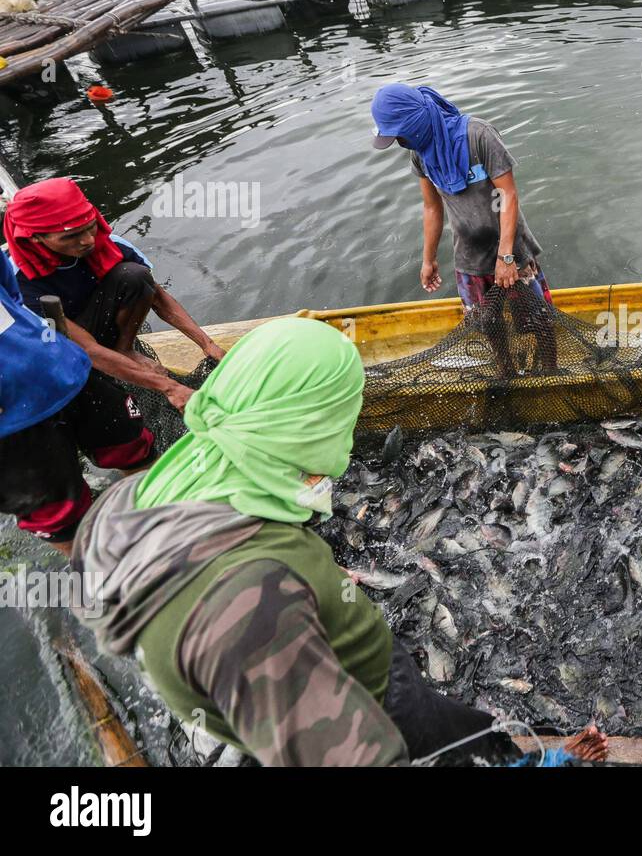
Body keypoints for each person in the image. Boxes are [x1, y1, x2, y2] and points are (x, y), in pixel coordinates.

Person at [69, 317, 608, 766]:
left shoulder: (172, 483)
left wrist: (316, 586)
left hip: (354, 680)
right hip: (377, 717)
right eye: (339, 415)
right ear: (303, 424)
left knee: (469, 731)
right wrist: (280, 594)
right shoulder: (248, 608)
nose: (346, 435)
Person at [371, 83, 556, 377]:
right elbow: (432, 207)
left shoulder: (479, 136)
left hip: (511, 251)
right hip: (469, 257)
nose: (401, 143)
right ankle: (507, 375)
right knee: (488, 325)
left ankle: (550, 374)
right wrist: (428, 259)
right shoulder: (421, 154)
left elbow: (508, 195)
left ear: (414, 123)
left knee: (538, 321)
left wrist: (505, 257)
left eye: (400, 136)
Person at [3, 177, 213, 407]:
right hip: (57, 348)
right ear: (35, 238)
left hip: (94, 324)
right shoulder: (20, 281)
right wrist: (169, 387)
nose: (88, 240)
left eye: (90, 227)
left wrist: (207, 344)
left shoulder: (109, 244)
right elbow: (88, 349)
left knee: (135, 276)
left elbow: (158, 297)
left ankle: (124, 349)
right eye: (71, 236)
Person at [0, 256, 158, 553]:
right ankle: (98, 573)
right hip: (13, 424)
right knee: (56, 512)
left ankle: (160, 516)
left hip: (61, 371)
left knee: (129, 442)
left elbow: (11, 291)